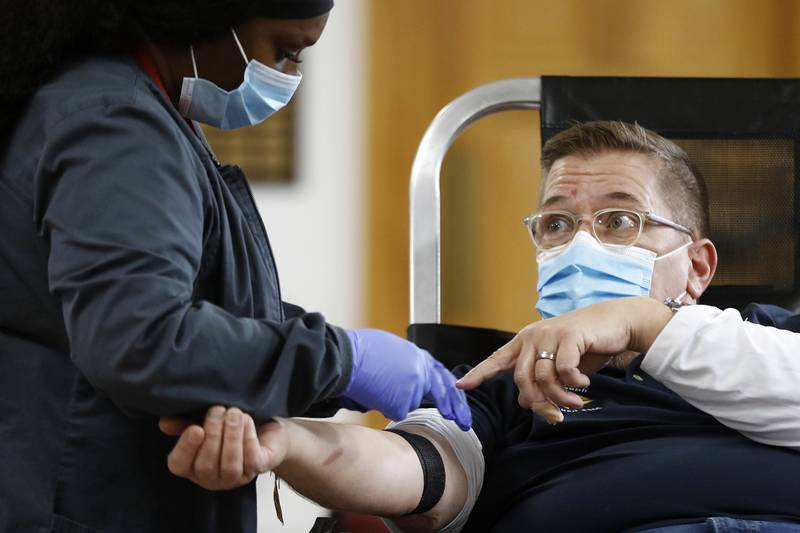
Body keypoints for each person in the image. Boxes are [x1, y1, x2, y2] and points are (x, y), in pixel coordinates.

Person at [165, 121, 800, 532]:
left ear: (696, 266)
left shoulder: (769, 335)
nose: (580, 244)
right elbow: (414, 469)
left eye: (618, 221)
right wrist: (288, 441)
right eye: (556, 224)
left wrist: (638, 321)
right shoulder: (507, 380)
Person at [0, 2, 470, 532]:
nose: (289, 76)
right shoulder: (116, 125)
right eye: (285, 52)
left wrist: (335, 368)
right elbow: (143, 337)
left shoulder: (144, 111)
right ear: (204, 15)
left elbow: (207, 301)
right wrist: (343, 360)